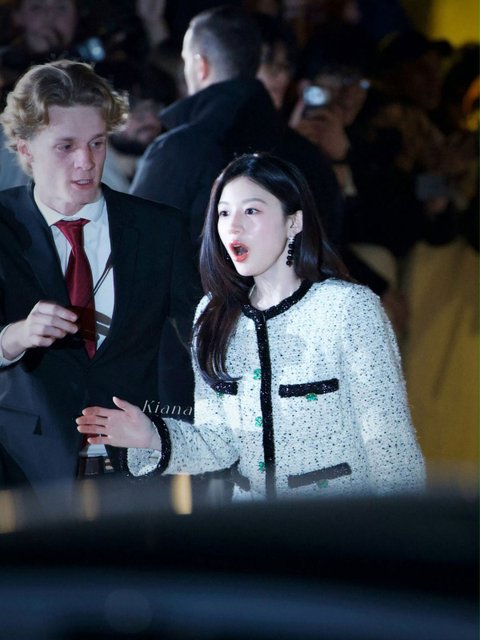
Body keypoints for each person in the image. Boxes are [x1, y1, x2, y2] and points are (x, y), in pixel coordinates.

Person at [77, 153, 426, 501]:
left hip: (337, 524)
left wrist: (400, 530)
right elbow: (218, 443)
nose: (233, 227)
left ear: (294, 222)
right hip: (250, 525)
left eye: (251, 211)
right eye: (224, 213)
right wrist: (151, 436)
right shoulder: (213, 315)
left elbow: (390, 444)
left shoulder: (347, 307)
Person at [0, 59, 200, 506]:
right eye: (65, 146)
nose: (86, 162)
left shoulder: (159, 229)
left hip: (135, 469)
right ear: (25, 149)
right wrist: (16, 336)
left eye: (96, 142)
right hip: (24, 472)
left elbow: (205, 339)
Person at [129, 4, 343, 252]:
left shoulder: (179, 150)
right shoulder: (307, 155)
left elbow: (135, 247)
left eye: (185, 61)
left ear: (201, 66)